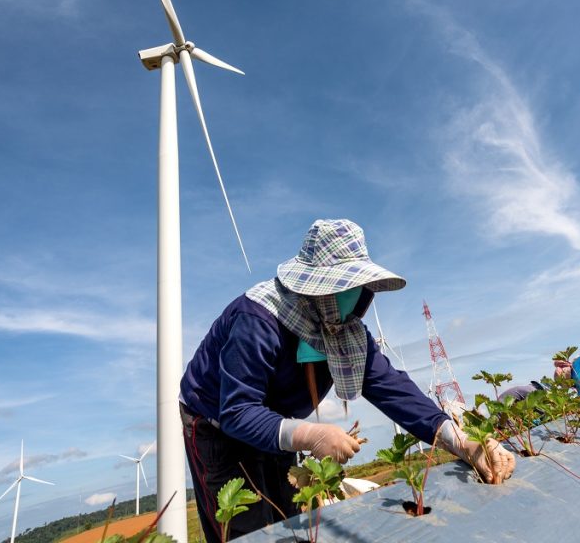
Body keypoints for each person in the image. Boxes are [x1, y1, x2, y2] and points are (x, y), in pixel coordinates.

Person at [180, 219, 515, 542]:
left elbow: (394, 390)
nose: (351, 294)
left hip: (276, 421)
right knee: (246, 529)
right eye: (343, 285)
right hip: (216, 423)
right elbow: (237, 412)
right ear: (311, 285)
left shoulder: (347, 332)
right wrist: (307, 433)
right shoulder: (257, 319)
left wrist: (461, 441)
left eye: (355, 286)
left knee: (289, 520)